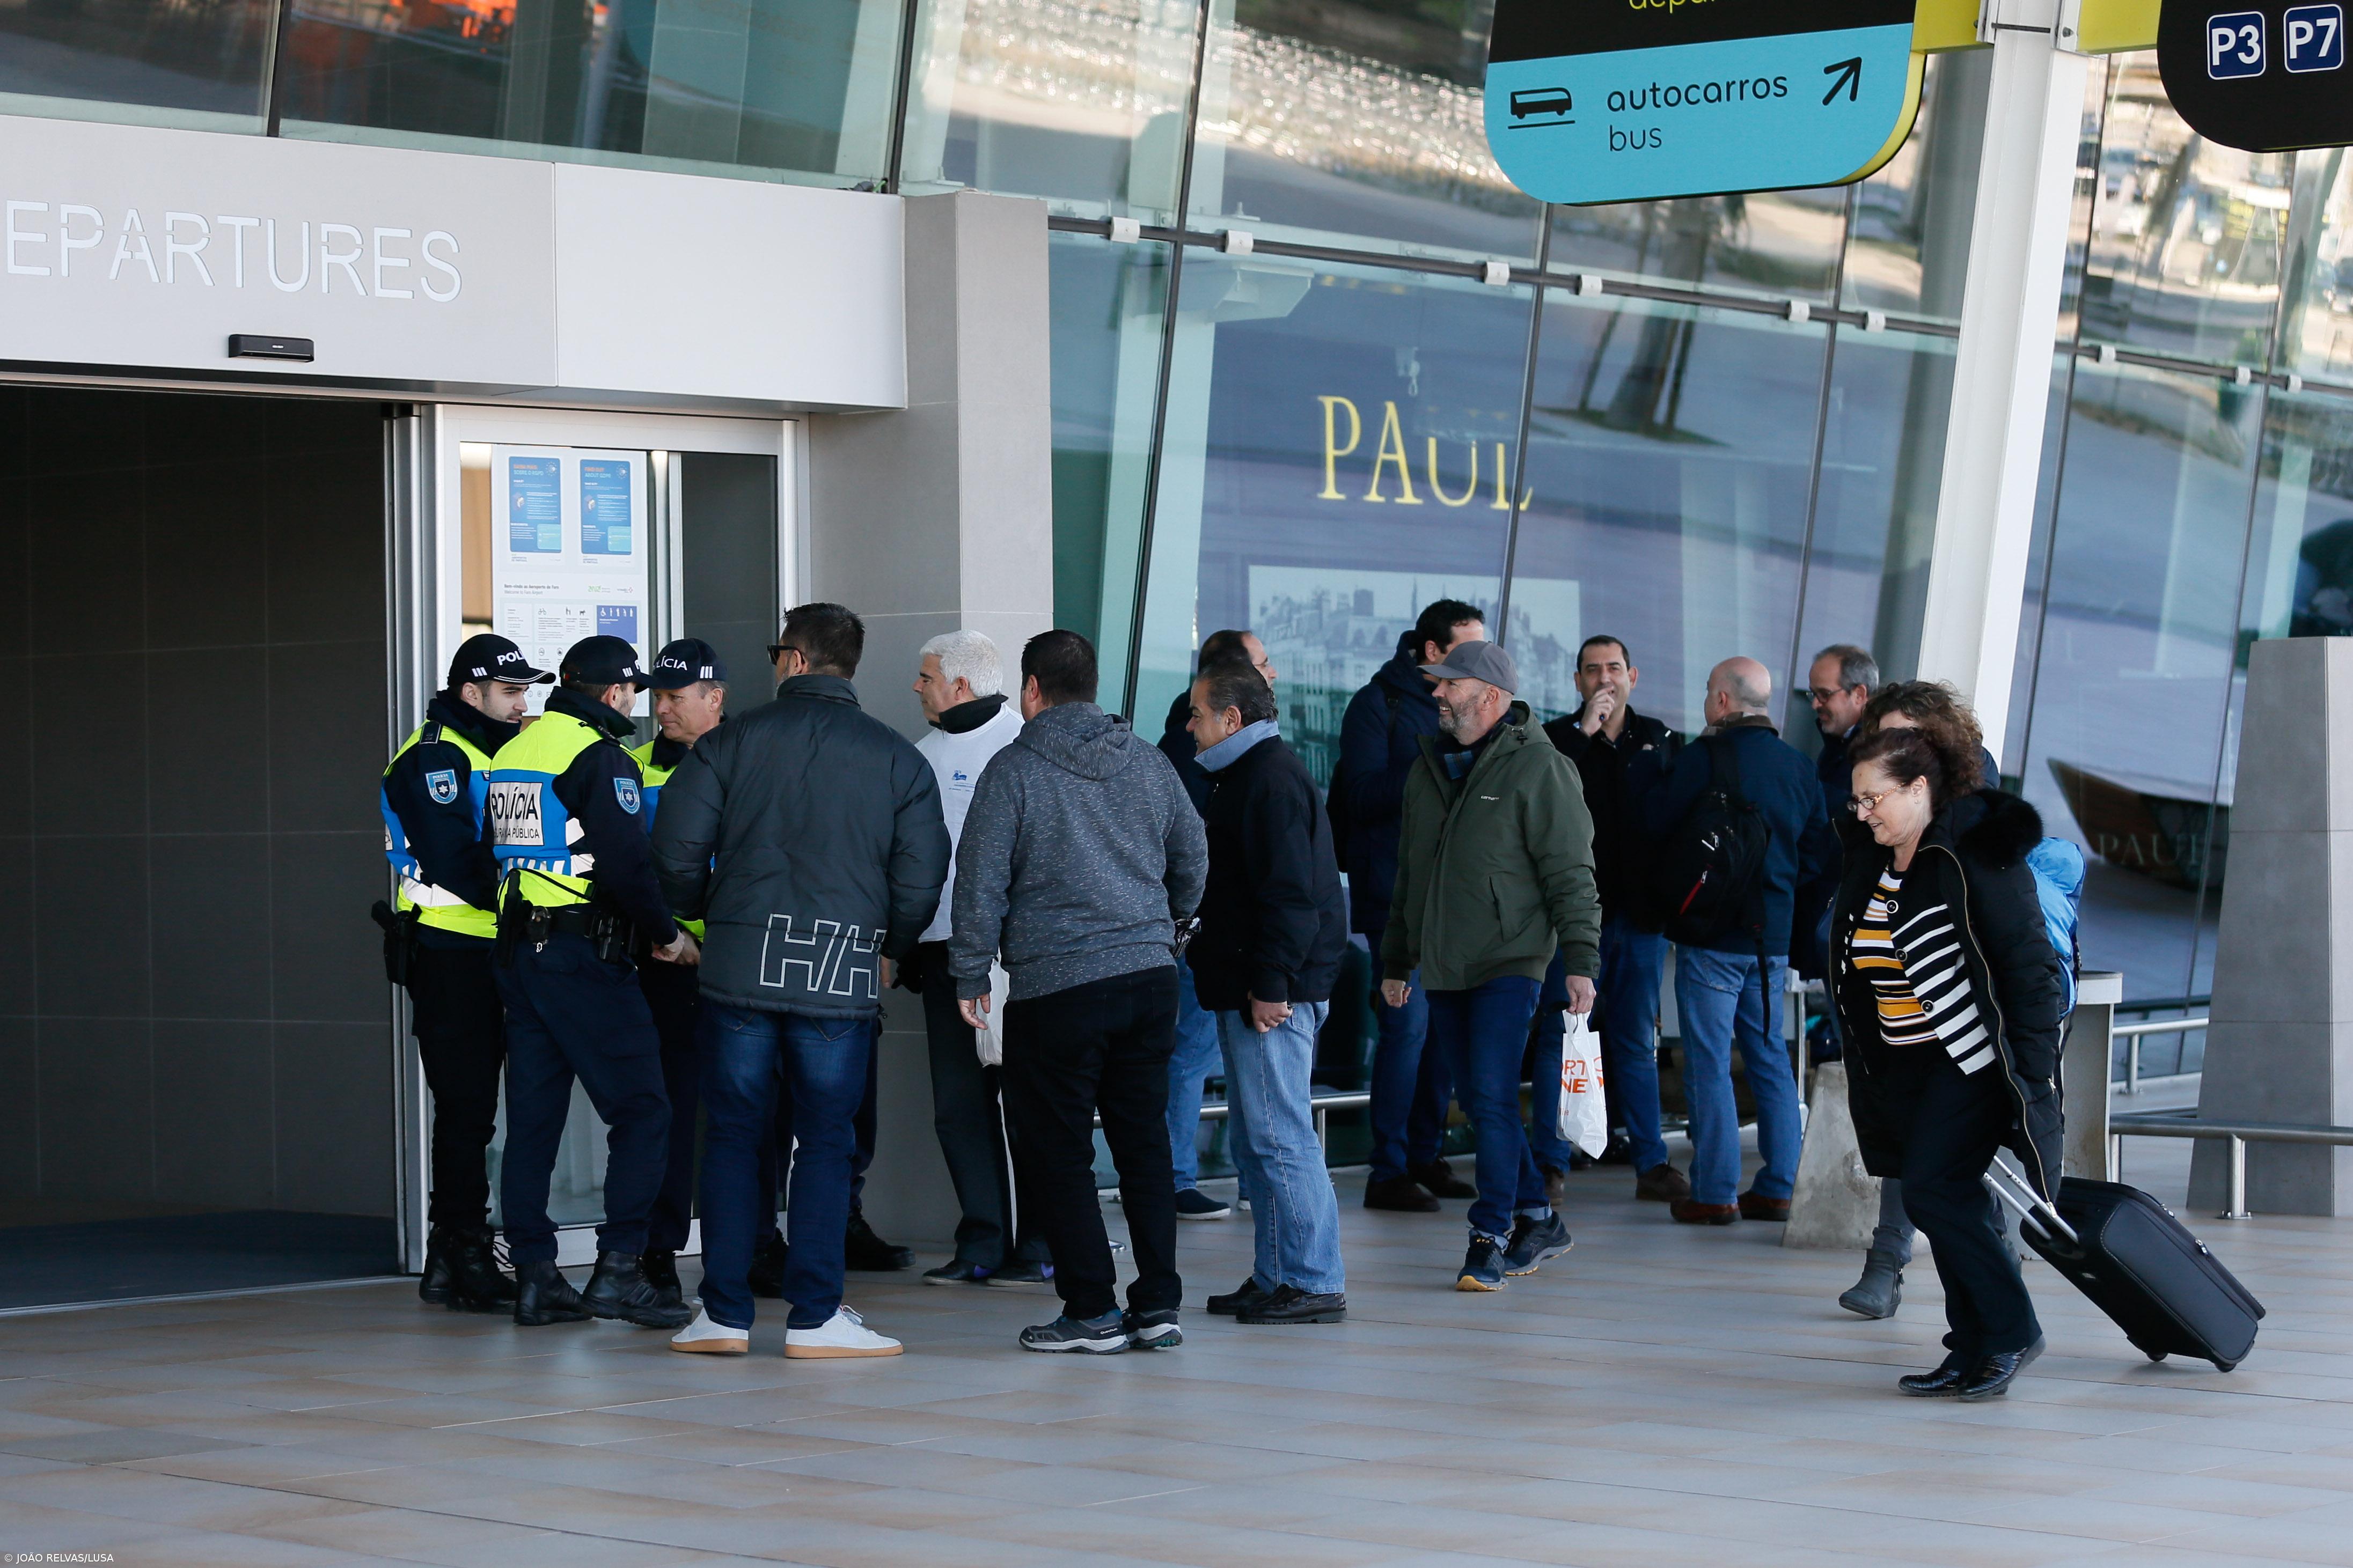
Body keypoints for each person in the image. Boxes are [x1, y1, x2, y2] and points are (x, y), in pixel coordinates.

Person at [653, 603, 949, 1359]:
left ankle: (722, 1312)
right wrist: (892, 943)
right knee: (825, 1140)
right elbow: (921, 875)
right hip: (839, 965)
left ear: (794, 658)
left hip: (739, 963)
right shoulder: (897, 758)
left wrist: (702, 914)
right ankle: (816, 1316)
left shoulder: (730, 743)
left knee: (731, 1137)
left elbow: (676, 851)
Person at [951, 630, 1206, 1353]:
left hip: (1056, 986)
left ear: (1032, 689)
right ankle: (1157, 1304)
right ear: (1090, 686)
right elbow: (1194, 853)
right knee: (1143, 1143)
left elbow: (980, 880)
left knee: (1056, 1149)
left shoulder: (1015, 769)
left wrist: (972, 972)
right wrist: (1170, 927)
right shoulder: (1151, 763)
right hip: (1149, 977)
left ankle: (1092, 1305)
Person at [1835, 727, 2062, 1401]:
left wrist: (2035, 1069)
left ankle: (2012, 1329)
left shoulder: (1973, 857)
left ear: (1918, 789)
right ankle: (1971, 1346)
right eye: (1855, 801)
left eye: (1873, 798)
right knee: (1945, 1198)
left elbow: (2028, 966)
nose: (1862, 812)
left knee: (1934, 1191)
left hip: (1967, 1058)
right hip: (1901, 1064)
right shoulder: (1873, 860)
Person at [482, 635, 695, 1330]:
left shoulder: (518, 748)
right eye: (632, 691)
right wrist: (668, 934)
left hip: (520, 951)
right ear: (612, 694)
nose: (636, 703)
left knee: (535, 1120)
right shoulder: (596, 756)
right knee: (645, 1109)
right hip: (581, 954)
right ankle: (619, 1269)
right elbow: (628, 863)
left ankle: (538, 1276)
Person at [1381, 640, 1599, 1291]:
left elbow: (1572, 873)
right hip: (1446, 964)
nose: (1438, 695)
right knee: (1478, 1098)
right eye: (1438, 685)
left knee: (1494, 1095)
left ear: (1492, 698)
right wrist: (1397, 958)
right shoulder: (1429, 768)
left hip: (1512, 959)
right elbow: (1409, 877)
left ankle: (1489, 1235)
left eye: (1451, 686)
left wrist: (1581, 960)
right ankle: (1538, 1214)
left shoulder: (1541, 768)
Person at [379, 632, 547, 1313]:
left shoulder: (486, 752)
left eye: (524, 691)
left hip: (493, 950)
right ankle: (462, 1248)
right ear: (470, 693)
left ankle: (457, 1254)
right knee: (467, 1109)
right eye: (510, 693)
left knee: (482, 1110)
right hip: (450, 951)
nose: (521, 705)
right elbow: (456, 859)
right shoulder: (434, 758)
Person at [1185, 661, 1351, 1326]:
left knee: (1280, 1135)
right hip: (1256, 981)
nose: (1189, 727)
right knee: (1261, 1137)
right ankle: (1278, 1273)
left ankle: (1310, 1278)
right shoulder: (1246, 776)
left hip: (1271, 989)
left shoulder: (1268, 780)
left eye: (1197, 714)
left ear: (1232, 718)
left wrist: (1271, 984)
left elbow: (1291, 896)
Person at [1641, 657, 1835, 1226]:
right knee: (1769, 1056)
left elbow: (1654, 825)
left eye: (1708, 691)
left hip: (1712, 937)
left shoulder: (1702, 758)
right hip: (1770, 939)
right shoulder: (1799, 767)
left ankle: (1714, 1191)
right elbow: (1817, 852)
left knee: (1706, 1062)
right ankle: (1779, 1185)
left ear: (1723, 701)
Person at [1836, 679, 2002, 1319]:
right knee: (1918, 1159)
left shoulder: (1974, 814)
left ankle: (1969, 1292)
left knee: (1937, 1172)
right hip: (1893, 1024)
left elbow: (2010, 945)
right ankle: (1979, 1303)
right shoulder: (1867, 814)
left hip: (1958, 1027)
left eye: (1908, 735)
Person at [906, 629, 1054, 1288]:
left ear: (960, 685)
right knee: (958, 1106)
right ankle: (982, 1241)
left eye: (926, 675)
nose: (917, 686)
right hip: (943, 956)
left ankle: (1042, 1243)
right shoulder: (918, 757)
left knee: (1030, 1103)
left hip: (1017, 959)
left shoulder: (1023, 748)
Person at [1339, 598, 1487, 1213]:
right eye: (1465, 649)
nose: (1479, 660)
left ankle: (1425, 1154)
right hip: (1396, 898)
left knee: (1442, 1037)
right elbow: (1359, 794)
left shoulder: (1474, 704)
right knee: (1406, 1029)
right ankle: (1389, 1167)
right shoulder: (1380, 704)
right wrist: (1433, 762)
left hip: (1456, 898)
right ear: (1431, 652)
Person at [1539, 635, 1685, 1206]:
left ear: (1633, 675)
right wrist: (1585, 734)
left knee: (1632, 1040)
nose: (1604, 679)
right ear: (1576, 681)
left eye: (1613, 668)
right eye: (1592, 670)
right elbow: (1545, 797)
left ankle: (1650, 1162)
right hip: (1571, 921)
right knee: (1560, 1035)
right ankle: (1550, 1162)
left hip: (1639, 919)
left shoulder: (1660, 741)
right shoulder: (1556, 740)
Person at [1156, 627, 1276, 1223]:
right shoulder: (1196, 749)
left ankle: (1242, 1177)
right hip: (1203, 926)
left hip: (1206, 924)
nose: (1271, 675)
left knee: (1214, 1053)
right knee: (1195, 1052)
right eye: (1261, 666)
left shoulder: (1219, 751)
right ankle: (1181, 1176)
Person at [629, 637, 728, 1316]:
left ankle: (748, 1248)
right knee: (672, 1114)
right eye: (657, 696)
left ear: (713, 697)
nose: (662, 709)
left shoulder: (747, 760)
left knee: (748, 1117)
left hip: (741, 966)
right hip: (667, 968)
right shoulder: (630, 769)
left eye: (676, 696)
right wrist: (673, 939)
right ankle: (659, 1254)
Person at [1806, 644, 1879, 819]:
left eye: (1825, 694)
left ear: (1859, 695)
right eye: (1814, 694)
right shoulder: (1838, 741)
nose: (1815, 704)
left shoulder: (1877, 752)